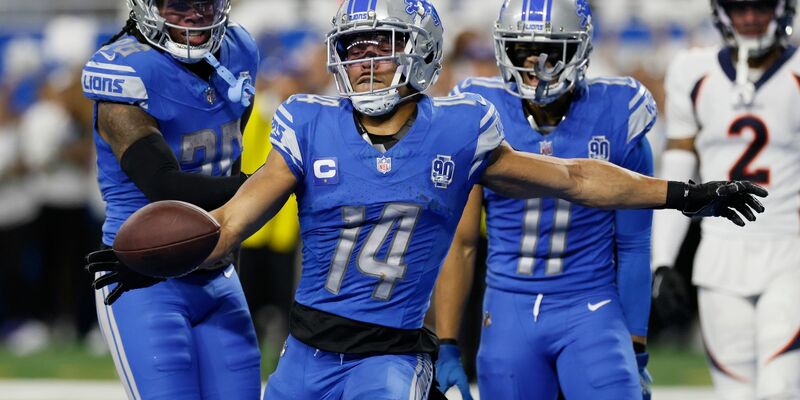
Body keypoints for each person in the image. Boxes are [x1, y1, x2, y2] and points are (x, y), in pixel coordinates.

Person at [91, 1, 766, 399]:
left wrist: (685, 194)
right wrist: (155, 257)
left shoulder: (460, 127)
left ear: (418, 54)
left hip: (388, 359)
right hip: (303, 355)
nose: (367, 64)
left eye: (383, 49)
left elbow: (575, 179)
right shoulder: (308, 121)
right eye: (355, 50)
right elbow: (233, 220)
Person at [433, 0, 656, 399]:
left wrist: (637, 345)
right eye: (524, 50)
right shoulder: (480, 112)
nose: (537, 62)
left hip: (591, 305)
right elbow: (461, 242)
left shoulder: (618, 111)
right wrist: (448, 341)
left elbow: (635, 244)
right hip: (507, 308)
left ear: (580, 50)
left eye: (552, 51)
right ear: (505, 50)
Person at [81, 0, 261, 398]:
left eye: (206, 3)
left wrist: (231, 239)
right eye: (179, 4)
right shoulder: (124, 67)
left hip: (217, 270)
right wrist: (270, 183)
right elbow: (164, 185)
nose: (196, 15)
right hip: (144, 275)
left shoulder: (241, 48)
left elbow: (230, 164)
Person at [651, 0, 800, 398]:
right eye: (740, 7)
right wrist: (662, 259)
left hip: (790, 252)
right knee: (735, 393)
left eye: (761, 7)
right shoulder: (692, 70)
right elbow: (678, 172)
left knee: (780, 388)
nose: (750, 17)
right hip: (719, 255)